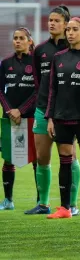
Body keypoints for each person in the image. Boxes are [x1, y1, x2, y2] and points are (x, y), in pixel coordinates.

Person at [27, 5, 80, 215]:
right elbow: (39, 82)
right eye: (50, 20)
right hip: (43, 109)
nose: (51, 23)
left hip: (66, 112)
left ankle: (73, 205)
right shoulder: (40, 50)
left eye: (56, 20)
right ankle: (43, 204)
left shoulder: (74, 48)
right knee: (42, 157)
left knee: (69, 155)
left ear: (66, 24)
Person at [45, 17, 80, 219]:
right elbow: (52, 90)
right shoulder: (58, 58)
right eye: (68, 29)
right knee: (64, 161)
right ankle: (64, 208)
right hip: (61, 117)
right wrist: (50, 117)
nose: (70, 33)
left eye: (75, 29)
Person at [0, 27, 37, 210]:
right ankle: (8, 200)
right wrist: (9, 111)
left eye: (21, 38)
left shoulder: (36, 63)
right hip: (9, 118)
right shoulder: (5, 63)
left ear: (30, 41)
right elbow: (0, 90)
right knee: (8, 158)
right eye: (15, 38)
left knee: (37, 159)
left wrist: (21, 110)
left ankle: (40, 200)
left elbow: (39, 91)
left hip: (32, 117)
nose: (17, 41)